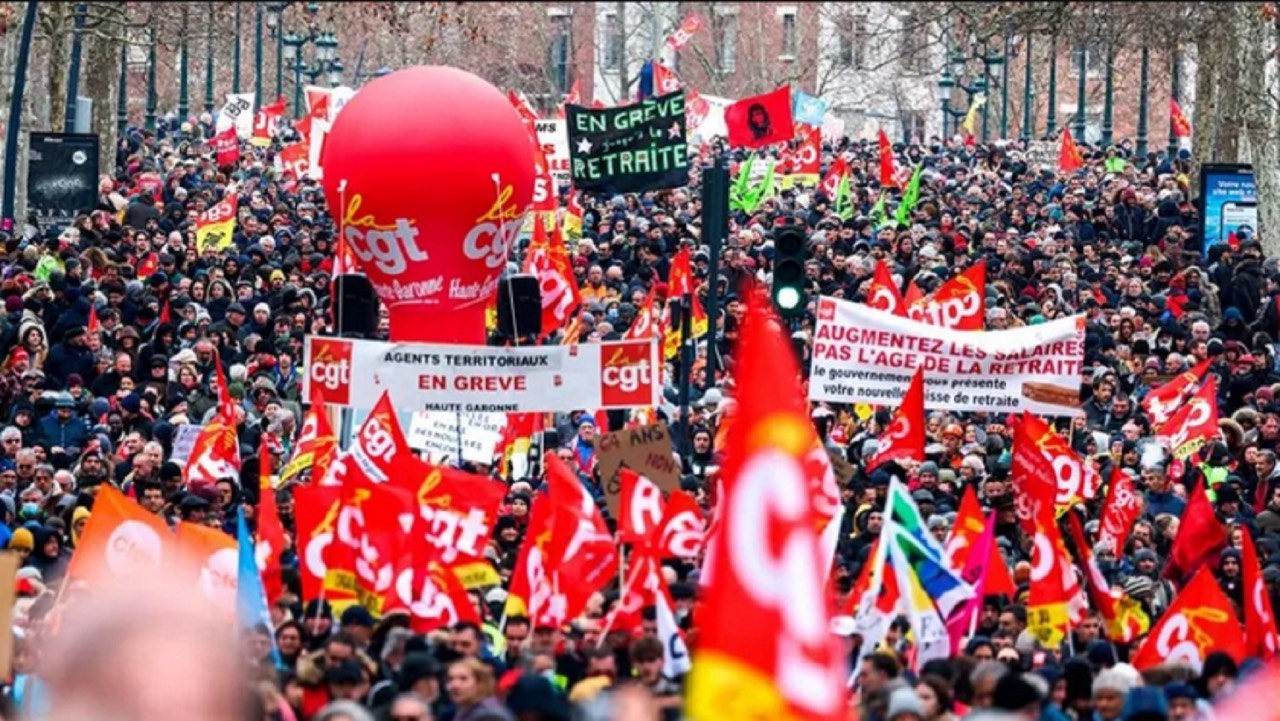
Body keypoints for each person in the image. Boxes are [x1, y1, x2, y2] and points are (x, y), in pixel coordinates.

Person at [445, 658, 514, 721]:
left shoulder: (490, 715)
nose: (454, 685)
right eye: (450, 679)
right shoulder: (465, 710)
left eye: (463, 679)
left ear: (480, 683)